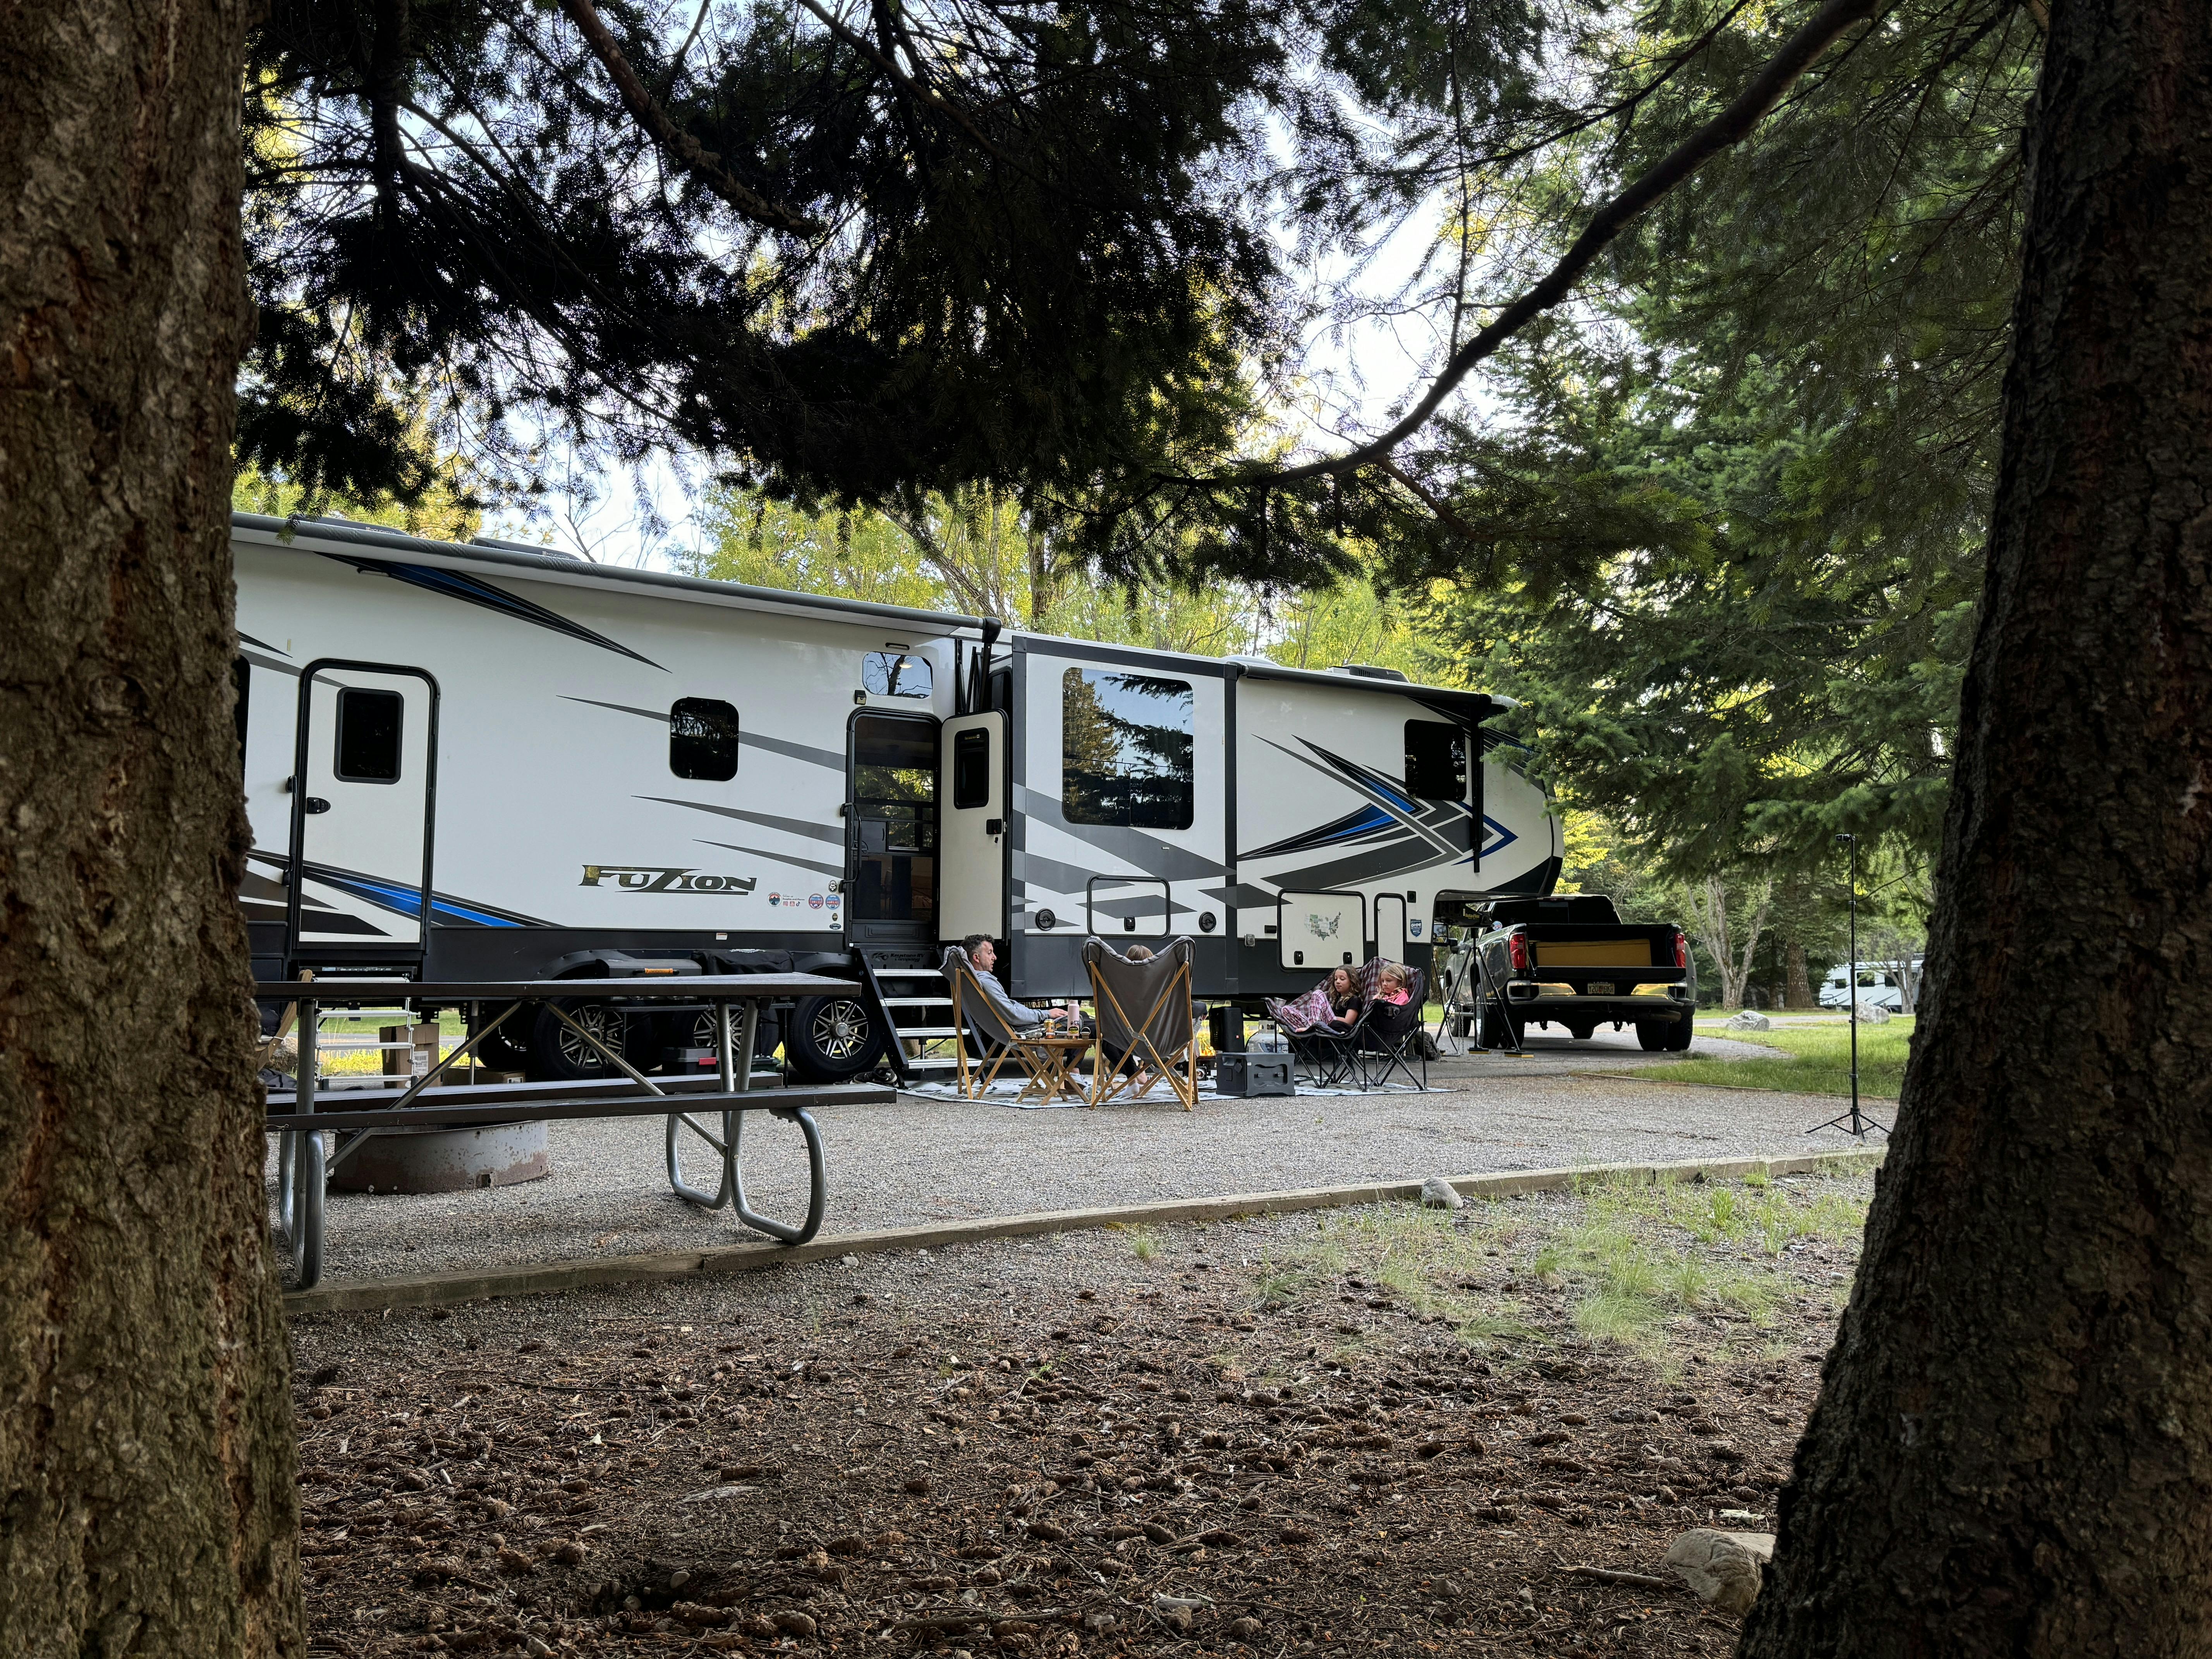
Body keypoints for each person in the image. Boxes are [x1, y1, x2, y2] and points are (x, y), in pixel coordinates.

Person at [959, 934, 1077, 1034]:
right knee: (1078, 1020)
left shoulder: (975, 981)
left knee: (1079, 1017)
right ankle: (1070, 1062)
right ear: (976, 958)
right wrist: (1047, 1014)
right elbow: (1013, 1015)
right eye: (990, 953)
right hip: (1026, 1029)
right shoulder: (986, 982)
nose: (995, 957)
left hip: (1019, 1027)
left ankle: (1069, 1061)